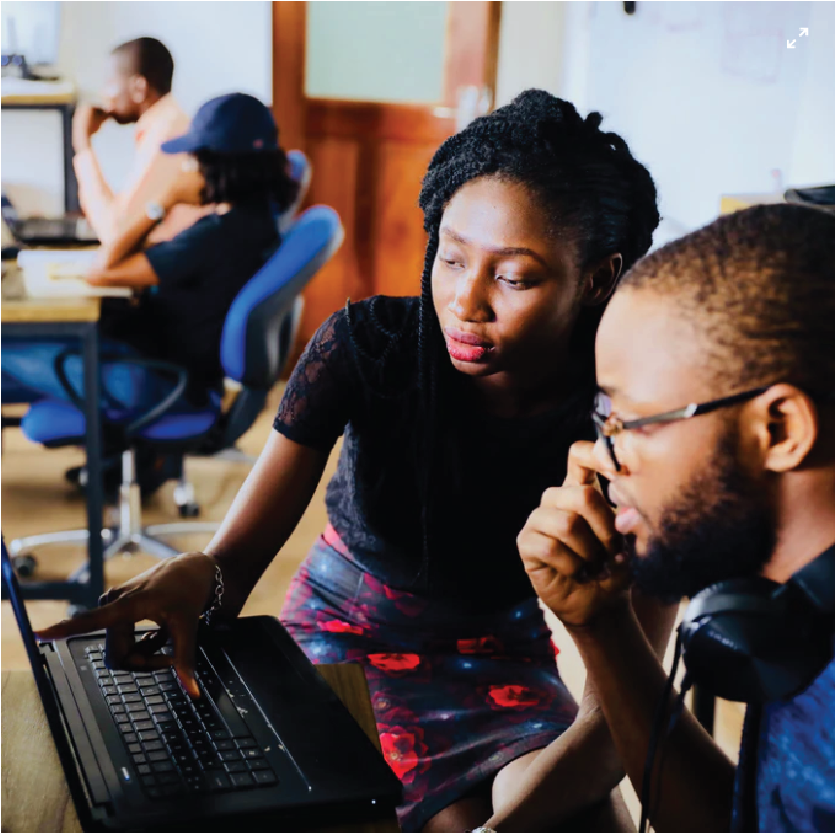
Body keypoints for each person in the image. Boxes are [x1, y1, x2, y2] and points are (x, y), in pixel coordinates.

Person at [37, 90, 673, 832]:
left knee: (588, 822)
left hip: (498, 661)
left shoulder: (629, 422)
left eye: (513, 276)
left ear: (597, 278)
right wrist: (198, 577)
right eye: (452, 256)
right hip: (341, 637)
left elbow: (617, 725)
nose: (464, 301)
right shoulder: (366, 348)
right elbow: (234, 564)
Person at [516, 204, 835, 832]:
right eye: (601, 416)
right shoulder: (787, 612)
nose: (595, 457)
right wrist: (602, 626)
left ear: (778, 429)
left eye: (629, 422)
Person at [3, 93, 297, 475]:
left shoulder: (215, 237)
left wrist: (164, 201)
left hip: (151, 383)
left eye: (195, 158)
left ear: (219, 166)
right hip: (168, 370)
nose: (187, 166)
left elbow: (102, 270)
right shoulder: (258, 221)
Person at [73, 36, 211, 246]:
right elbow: (121, 216)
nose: (104, 95)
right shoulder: (166, 124)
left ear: (139, 88)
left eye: (110, 84)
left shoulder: (166, 135)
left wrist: (82, 145)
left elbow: (115, 233)